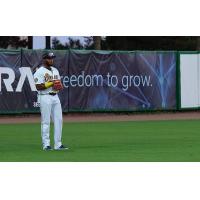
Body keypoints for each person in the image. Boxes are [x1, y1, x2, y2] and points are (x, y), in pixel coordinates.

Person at [33, 52, 68, 150]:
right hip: (44, 97)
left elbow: (57, 83)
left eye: (52, 58)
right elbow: (37, 86)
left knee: (59, 120)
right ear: (44, 59)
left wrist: (59, 86)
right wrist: (50, 84)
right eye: (49, 58)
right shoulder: (39, 71)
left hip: (55, 96)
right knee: (46, 121)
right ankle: (46, 144)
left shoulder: (55, 70)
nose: (51, 60)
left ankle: (58, 144)